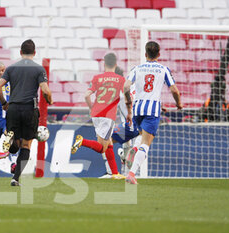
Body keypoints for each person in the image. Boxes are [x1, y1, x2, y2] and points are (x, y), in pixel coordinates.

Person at [123, 41, 183, 184]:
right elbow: (174, 90)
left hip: (138, 109)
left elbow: (126, 86)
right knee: (146, 143)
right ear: (159, 54)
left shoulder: (136, 69)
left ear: (145, 54)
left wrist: (128, 103)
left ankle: (134, 148)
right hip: (152, 110)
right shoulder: (163, 69)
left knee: (141, 137)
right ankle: (131, 174)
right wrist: (178, 103)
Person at [0, 39, 53, 186]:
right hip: (29, 109)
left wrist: (4, 103)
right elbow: (45, 90)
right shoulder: (39, 69)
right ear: (34, 53)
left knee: (15, 140)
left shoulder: (11, 68)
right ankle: (15, 178)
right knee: (26, 145)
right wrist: (49, 99)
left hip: (13, 108)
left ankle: (11, 140)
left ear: (20, 52)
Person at [71, 53, 125, 179]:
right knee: (102, 148)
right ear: (116, 65)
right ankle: (82, 141)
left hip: (96, 114)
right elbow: (126, 95)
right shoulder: (120, 79)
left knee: (109, 143)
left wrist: (92, 108)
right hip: (108, 115)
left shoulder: (97, 78)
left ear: (104, 63)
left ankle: (115, 173)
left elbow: (86, 95)